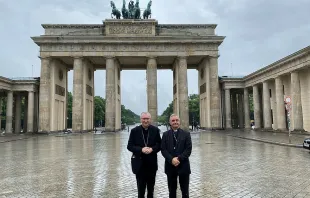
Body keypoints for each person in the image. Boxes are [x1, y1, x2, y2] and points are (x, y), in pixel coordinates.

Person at [127, 112, 162, 198]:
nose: (145, 120)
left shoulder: (155, 130)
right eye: (144, 119)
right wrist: (141, 149)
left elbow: (160, 145)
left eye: (147, 119)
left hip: (152, 165)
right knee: (140, 190)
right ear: (141, 119)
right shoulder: (134, 131)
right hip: (139, 165)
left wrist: (152, 149)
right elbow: (129, 146)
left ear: (150, 119)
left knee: (151, 190)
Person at [161, 114, 192, 198]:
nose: (175, 122)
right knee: (171, 191)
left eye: (176, 120)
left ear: (179, 121)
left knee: (185, 191)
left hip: (183, 165)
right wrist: (171, 159)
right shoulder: (165, 134)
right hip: (170, 166)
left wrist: (178, 158)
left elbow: (188, 150)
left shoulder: (186, 134)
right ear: (170, 122)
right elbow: (163, 150)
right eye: (173, 121)